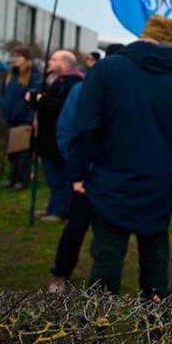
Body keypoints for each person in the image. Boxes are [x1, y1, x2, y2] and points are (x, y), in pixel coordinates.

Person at [69, 15, 172, 300]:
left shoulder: (107, 69)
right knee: (154, 259)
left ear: (142, 36)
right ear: (170, 44)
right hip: (157, 181)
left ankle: (97, 329)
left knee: (107, 258)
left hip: (110, 178)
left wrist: (78, 173)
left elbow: (84, 127)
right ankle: (153, 328)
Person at [47, 44, 120, 293]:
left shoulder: (126, 93)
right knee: (76, 226)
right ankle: (61, 274)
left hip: (113, 176)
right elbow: (66, 129)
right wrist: (76, 164)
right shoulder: (81, 89)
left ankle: (102, 286)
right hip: (86, 175)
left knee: (109, 235)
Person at [26, 50, 84, 222]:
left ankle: (61, 210)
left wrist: (38, 99)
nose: (50, 62)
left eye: (54, 59)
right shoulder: (55, 79)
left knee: (60, 176)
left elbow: (62, 106)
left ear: (65, 62)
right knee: (52, 175)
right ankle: (53, 206)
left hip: (57, 137)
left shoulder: (72, 81)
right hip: (46, 136)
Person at [0, 46, 40, 191]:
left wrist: (29, 119)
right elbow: (3, 92)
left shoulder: (32, 75)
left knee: (23, 153)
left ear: (26, 58)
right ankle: (12, 178)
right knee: (12, 151)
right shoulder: (10, 74)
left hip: (23, 119)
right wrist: (1, 103)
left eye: (18, 56)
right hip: (10, 118)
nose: (14, 59)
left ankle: (22, 181)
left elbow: (34, 98)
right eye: (13, 55)